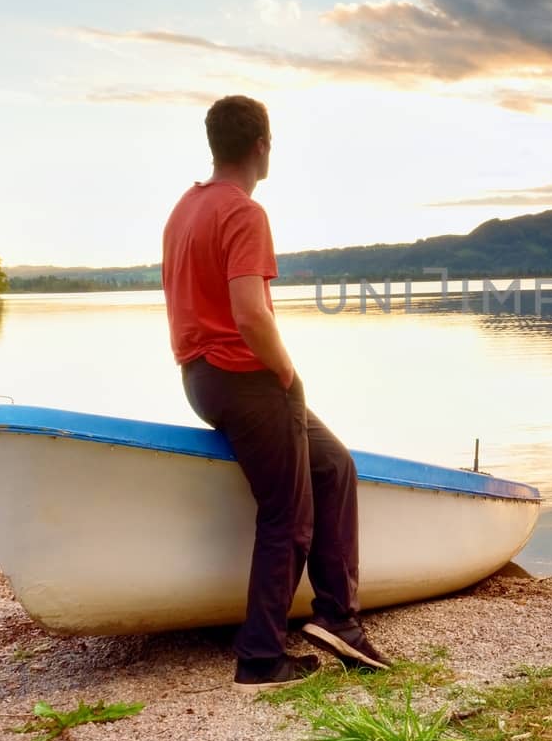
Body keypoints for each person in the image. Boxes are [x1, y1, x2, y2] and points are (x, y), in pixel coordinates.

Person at [162, 95, 390, 691]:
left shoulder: (186, 208)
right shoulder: (242, 212)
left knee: (335, 465)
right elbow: (250, 313)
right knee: (288, 516)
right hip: (247, 378)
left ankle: (339, 620)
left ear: (215, 145)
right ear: (263, 146)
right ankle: (260, 657)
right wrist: (287, 373)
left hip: (201, 377)